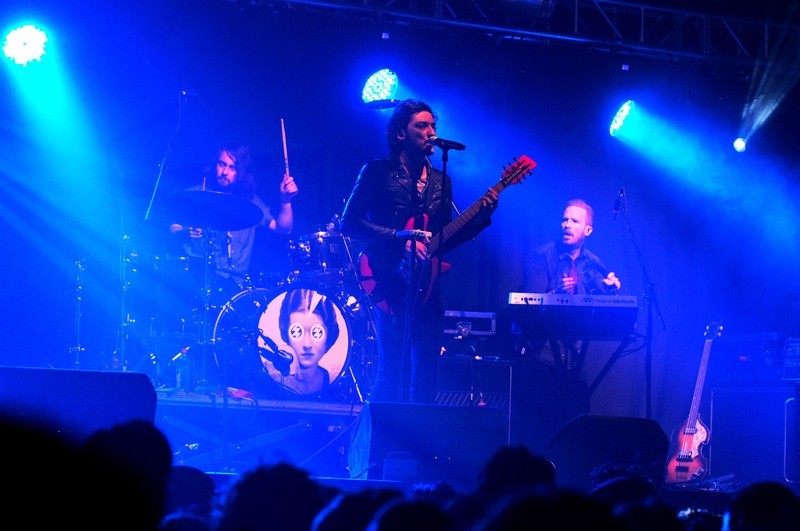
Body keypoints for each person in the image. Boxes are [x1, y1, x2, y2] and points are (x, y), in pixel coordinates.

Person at [340, 99, 500, 404]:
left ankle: (418, 433)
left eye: (433, 126)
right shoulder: (377, 172)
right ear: (401, 133)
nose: (431, 132)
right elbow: (348, 223)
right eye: (422, 126)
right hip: (390, 279)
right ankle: (382, 433)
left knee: (427, 372)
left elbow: (444, 240)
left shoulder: (442, 181)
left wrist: (481, 218)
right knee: (390, 372)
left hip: (428, 285)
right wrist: (399, 238)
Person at [169, 141, 299, 305]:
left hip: (235, 287)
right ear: (214, 164)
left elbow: (283, 228)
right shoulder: (196, 194)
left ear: (241, 172)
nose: (225, 172)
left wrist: (286, 201)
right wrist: (185, 231)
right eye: (222, 164)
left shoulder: (250, 202)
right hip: (195, 279)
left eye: (232, 168)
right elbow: (172, 226)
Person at [272, 287, 341, 395]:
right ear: (286, 333)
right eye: (296, 332)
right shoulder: (276, 376)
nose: (307, 345)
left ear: (329, 335)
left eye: (317, 333)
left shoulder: (326, 376)